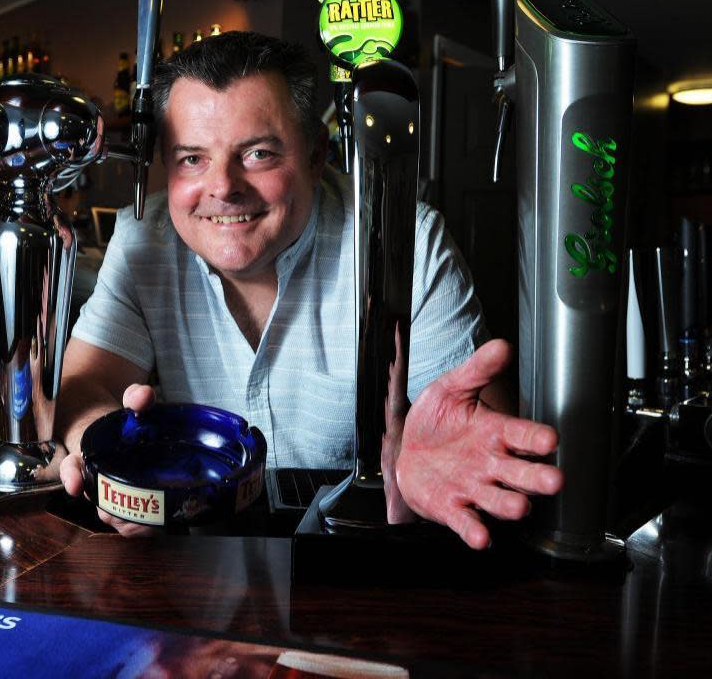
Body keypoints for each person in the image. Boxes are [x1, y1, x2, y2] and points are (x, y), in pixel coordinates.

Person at [57, 31, 562, 549]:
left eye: (257, 153)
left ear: (317, 153)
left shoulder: (406, 239)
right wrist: (120, 465)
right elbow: (85, 388)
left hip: (366, 563)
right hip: (196, 565)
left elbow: (485, 445)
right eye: (192, 159)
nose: (223, 186)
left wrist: (431, 456)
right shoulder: (143, 238)